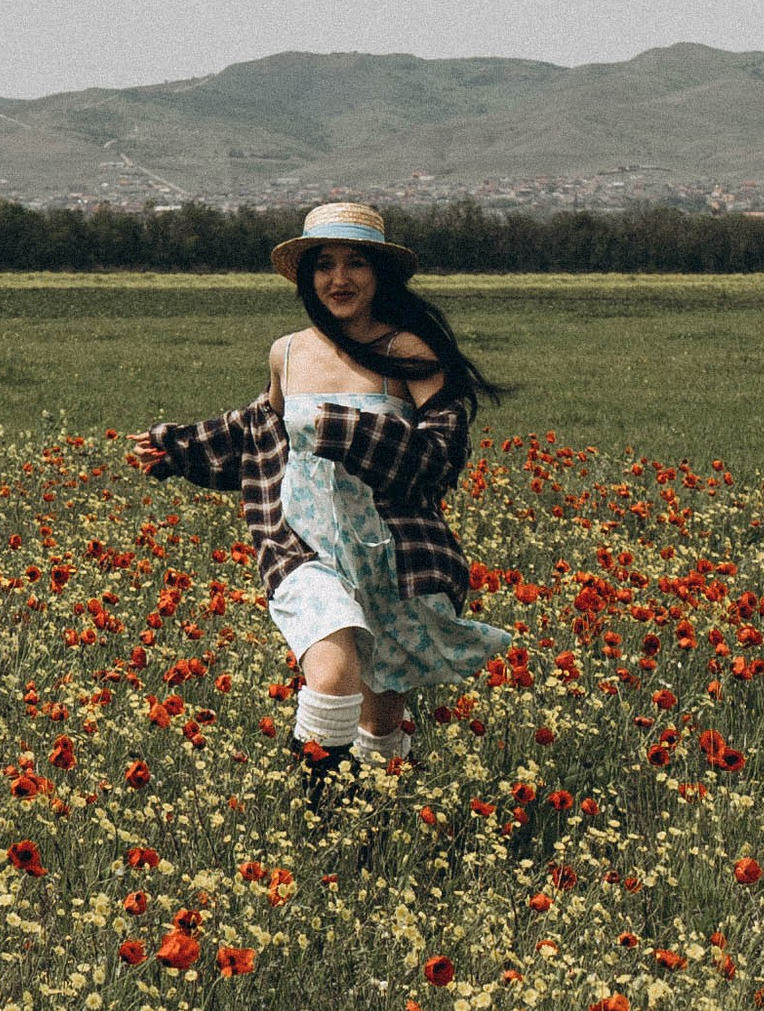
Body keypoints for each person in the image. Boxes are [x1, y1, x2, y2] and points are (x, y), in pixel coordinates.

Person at [129, 202, 506, 790]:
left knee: (381, 715)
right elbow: (258, 430)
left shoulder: (409, 350)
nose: (339, 279)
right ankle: (320, 810)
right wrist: (178, 449)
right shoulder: (287, 352)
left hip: (391, 552)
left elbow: (440, 456)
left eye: (356, 263)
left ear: (380, 274)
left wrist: (344, 431)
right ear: (307, 277)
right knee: (331, 672)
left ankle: (369, 821)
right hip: (302, 542)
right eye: (324, 265)